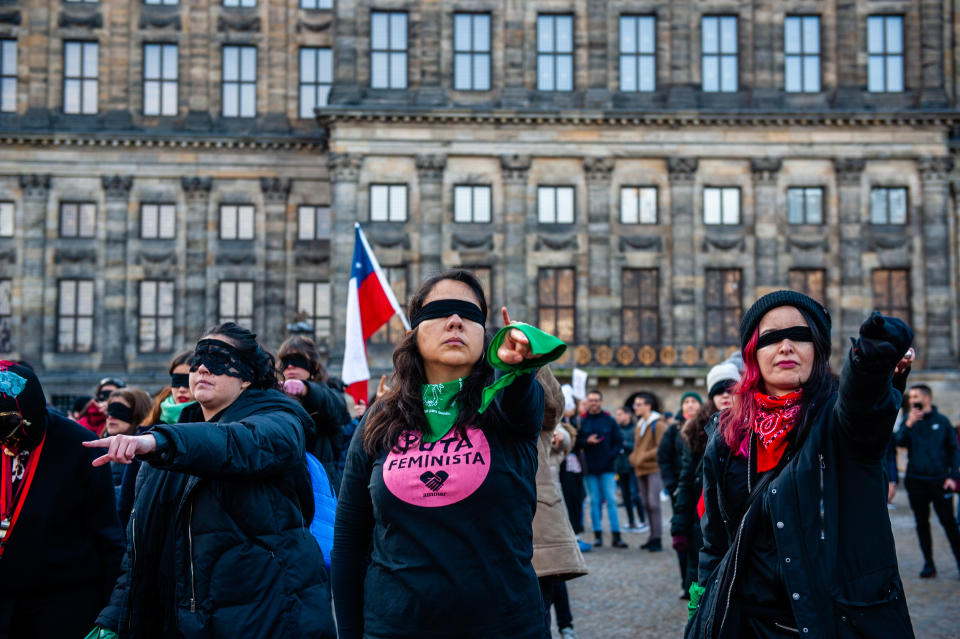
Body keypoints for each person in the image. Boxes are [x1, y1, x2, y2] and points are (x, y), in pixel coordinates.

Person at [332, 269, 565, 639]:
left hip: (503, 627)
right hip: (394, 627)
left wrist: (518, 370)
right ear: (412, 334)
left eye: (469, 314)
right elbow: (349, 539)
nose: (456, 321)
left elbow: (526, 400)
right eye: (440, 311)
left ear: (484, 335)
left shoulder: (506, 404)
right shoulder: (379, 418)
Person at [687, 291, 916, 638]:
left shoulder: (841, 423)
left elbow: (863, 404)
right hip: (748, 623)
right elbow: (715, 540)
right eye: (771, 338)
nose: (785, 346)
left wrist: (869, 363)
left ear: (818, 349)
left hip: (831, 622)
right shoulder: (726, 433)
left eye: (800, 335)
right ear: (753, 353)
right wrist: (703, 603)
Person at [86, 323, 335, 639]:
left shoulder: (280, 421)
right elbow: (140, 550)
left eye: (219, 361)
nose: (202, 368)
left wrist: (160, 442)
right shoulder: (166, 444)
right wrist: (113, 618)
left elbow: (239, 443)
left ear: (246, 377)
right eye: (198, 360)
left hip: (264, 619)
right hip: (181, 621)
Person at [0, 361, 123, 638]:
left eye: (8, 426)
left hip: (63, 601)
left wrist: (113, 614)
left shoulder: (79, 448)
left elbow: (108, 537)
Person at [671, 361, 741, 600]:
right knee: (700, 587)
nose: (724, 395)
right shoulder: (696, 432)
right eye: (718, 391)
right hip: (701, 521)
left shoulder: (750, 427)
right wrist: (678, 527)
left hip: (736, 519)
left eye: (730, 389)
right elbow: (685, 482)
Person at [532, 368, 587, 639]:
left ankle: (566, 624)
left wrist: (561, 437)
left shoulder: (551, 428)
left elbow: (563, 435)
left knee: (552, 582)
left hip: (543, 522)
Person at [894, 383, 960, 578]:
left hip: (940, 482)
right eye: (911, 397)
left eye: (916, 397)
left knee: (949, 524)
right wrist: (908, 424)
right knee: (921, 523)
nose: (912, 400)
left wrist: (952, 477)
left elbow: (954, 450)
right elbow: (898, 442)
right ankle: (928, 564)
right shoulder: (909, 421)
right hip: (916, 482)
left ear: (927, 398)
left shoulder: (943, 421)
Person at [277, 335, 351, 490]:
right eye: (285, 361)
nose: (290, 366)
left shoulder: (329, 391)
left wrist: (306, 389)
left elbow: (336, 409)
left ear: (314, 366)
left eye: (298, 360)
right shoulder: (276, 394)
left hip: (320, 484)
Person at [660, 391, 702, 588]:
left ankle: (694, 579)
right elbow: (664, 457)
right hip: (680, 489)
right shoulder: (673, 429)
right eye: (687, 402)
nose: (690, 405)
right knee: (681, 534)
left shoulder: (705, 427)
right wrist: (671, 485)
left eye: (694, 401)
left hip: (698, 488)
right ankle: (685, 580)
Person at [579, 389, 628, 548]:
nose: (594, 403)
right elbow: (577, 442)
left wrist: (610, 455)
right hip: (590, 469)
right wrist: (587, 441)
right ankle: (598, 535)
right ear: (588, 402)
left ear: (600, 401)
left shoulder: (609, 421)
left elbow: (619, 442)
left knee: (612, 501)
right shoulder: (583, 421)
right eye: (591, 400)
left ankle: (616, 535)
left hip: (607, 468)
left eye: (596, 400)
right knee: (594, 502)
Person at [102, 388, 151, 504]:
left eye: (120, 410)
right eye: (110, 411)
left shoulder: (145, 453)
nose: (111, 417)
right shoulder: (99, 445)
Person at [629, 391, 664, 551]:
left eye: (638, 404)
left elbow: (661, 447)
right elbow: (637, 446)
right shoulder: (640, 424)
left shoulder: (658, 423)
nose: (635, 407)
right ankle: (652, 536)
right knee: (646, 504)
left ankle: (657, 538)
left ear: (648, 406)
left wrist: (642, 456)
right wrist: (634, 457)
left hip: (653, 468)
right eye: (634, 404)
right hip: (640, 469)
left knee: (653, 503)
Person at [614, 406, 647, 533]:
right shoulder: (616, 429)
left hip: (633, 467)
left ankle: (643, 520)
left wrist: (624, 444)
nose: (617, 417)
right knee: (626, 496)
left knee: (635, 495)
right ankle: (631, 521)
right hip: (620, 467)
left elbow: (638, 446)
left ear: (627, 415)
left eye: (620, 414)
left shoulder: (635, 429)